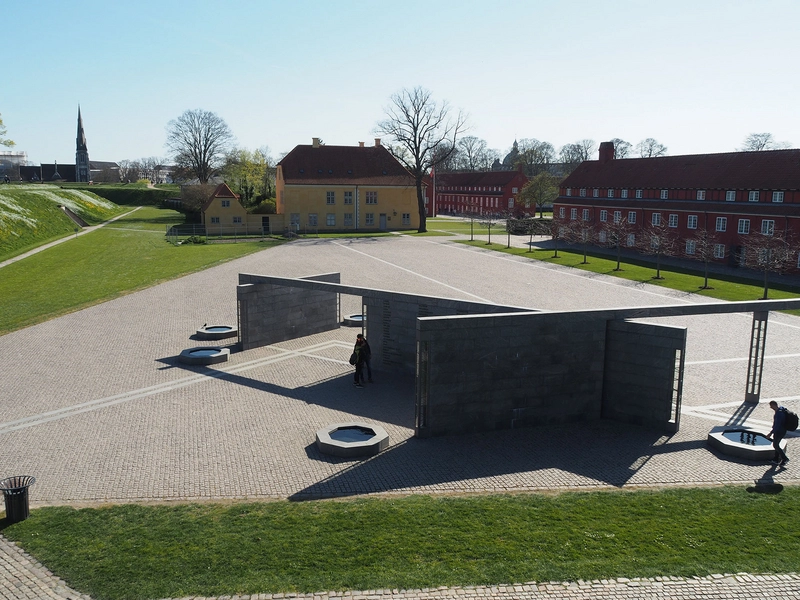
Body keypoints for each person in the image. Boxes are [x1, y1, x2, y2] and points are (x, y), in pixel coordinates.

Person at [766, 400, 789, 466]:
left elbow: (777, 425)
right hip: (781, 431)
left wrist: (770, 433)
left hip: (779, 431)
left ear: (774, 405)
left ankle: (785, 458)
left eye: (771, 406)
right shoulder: (781, 410)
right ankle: (775, 459)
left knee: (775, 445)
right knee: (776, 444)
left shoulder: (779, 414)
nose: (771, 408)